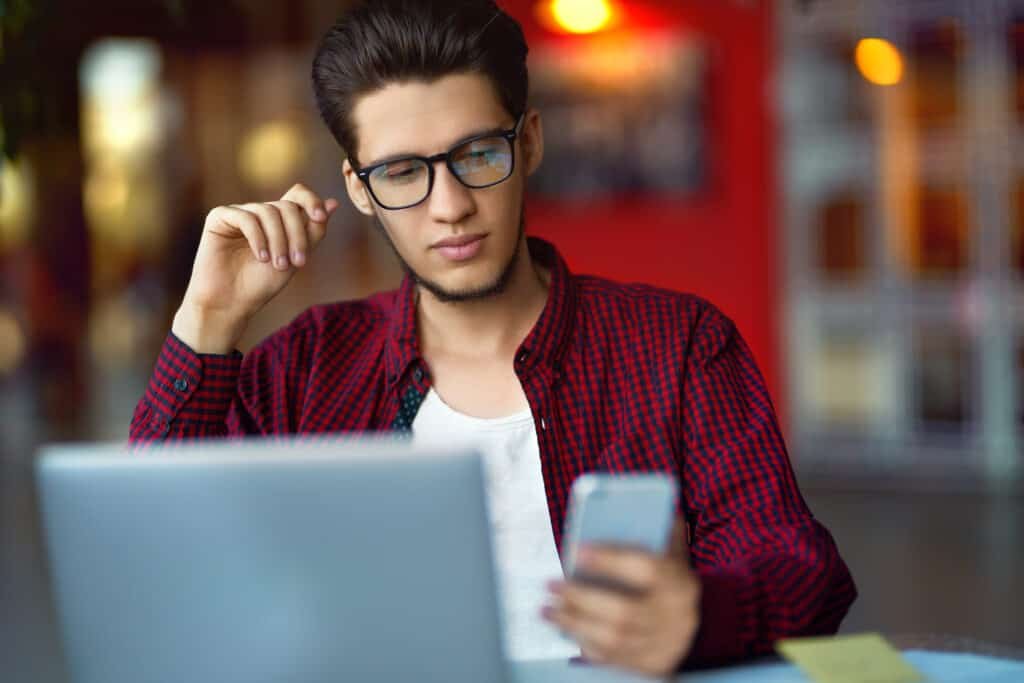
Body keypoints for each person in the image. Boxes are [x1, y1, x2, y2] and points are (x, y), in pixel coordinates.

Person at [130, 0, 856, 675]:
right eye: (403, 172)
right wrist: (209, 321)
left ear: (529, 142)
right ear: (359, 188)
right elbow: (158, 560)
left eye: (477, 154)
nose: (450, 207)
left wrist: (700, 615)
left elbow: (799, 570)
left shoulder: (678, 344)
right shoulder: (303, 369)